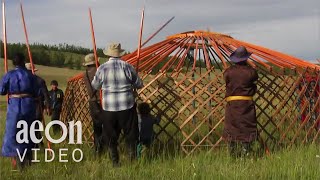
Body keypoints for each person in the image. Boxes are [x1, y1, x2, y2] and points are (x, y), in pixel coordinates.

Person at [91, 43, 143, 167]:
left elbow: (95, 86)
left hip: (109, 108)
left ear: (108, 54)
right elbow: (139, 84)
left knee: (110, 135)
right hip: (127, 107)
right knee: (130, 134)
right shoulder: (128, 67)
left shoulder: (102, 68)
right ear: (120, 54)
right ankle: (132, 162)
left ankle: (115, 162)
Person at [0, 53, 40, 170]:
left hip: (14, 106)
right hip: (28, 105)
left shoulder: (9, 75)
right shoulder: (31, 76)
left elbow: (2, 91)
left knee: (13, 133)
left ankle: (16, 161)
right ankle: (28, 160)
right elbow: (37, 92)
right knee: (28, 132)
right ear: (23, 62)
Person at [223, 46, 259, 158]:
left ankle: (232, 153)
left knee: (232, 127)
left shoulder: (228, 72)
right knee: (246, 127)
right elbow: (255, 78)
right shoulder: (251, 72)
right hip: (246, 106)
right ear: (245, 58)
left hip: (232, 106)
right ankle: (246, 152)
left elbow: (226, 80)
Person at [82, 53, 104, 154]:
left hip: (93, 103)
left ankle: (98, 149)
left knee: (97, 127)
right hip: (103, 101)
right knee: (108, 125)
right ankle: (106, 146)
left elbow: (90, 92)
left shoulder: (85, 74)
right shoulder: (101, 70)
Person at [25, 63, 51, 148]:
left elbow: (46, 94)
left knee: (35, 125)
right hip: (26, 105)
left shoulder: (39, 81)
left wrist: (47, 106)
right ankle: (37, 144)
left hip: (37, 105)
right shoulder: (23, 81)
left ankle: (35, 145)